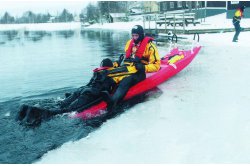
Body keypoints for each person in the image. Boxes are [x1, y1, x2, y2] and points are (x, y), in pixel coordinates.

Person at [102, 25, 161, 113]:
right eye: (133, 35)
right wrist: (117, 63)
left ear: (141, 35)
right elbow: (128, 58)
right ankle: (100, 94)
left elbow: (157, 66)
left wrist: (143, 67)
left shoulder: (150, 47)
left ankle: (113, 101)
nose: (134, 38)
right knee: (110, 76)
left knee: (126, 80)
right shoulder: (130, 43)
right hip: (127, 68)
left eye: (136, 36)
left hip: (139, 72)